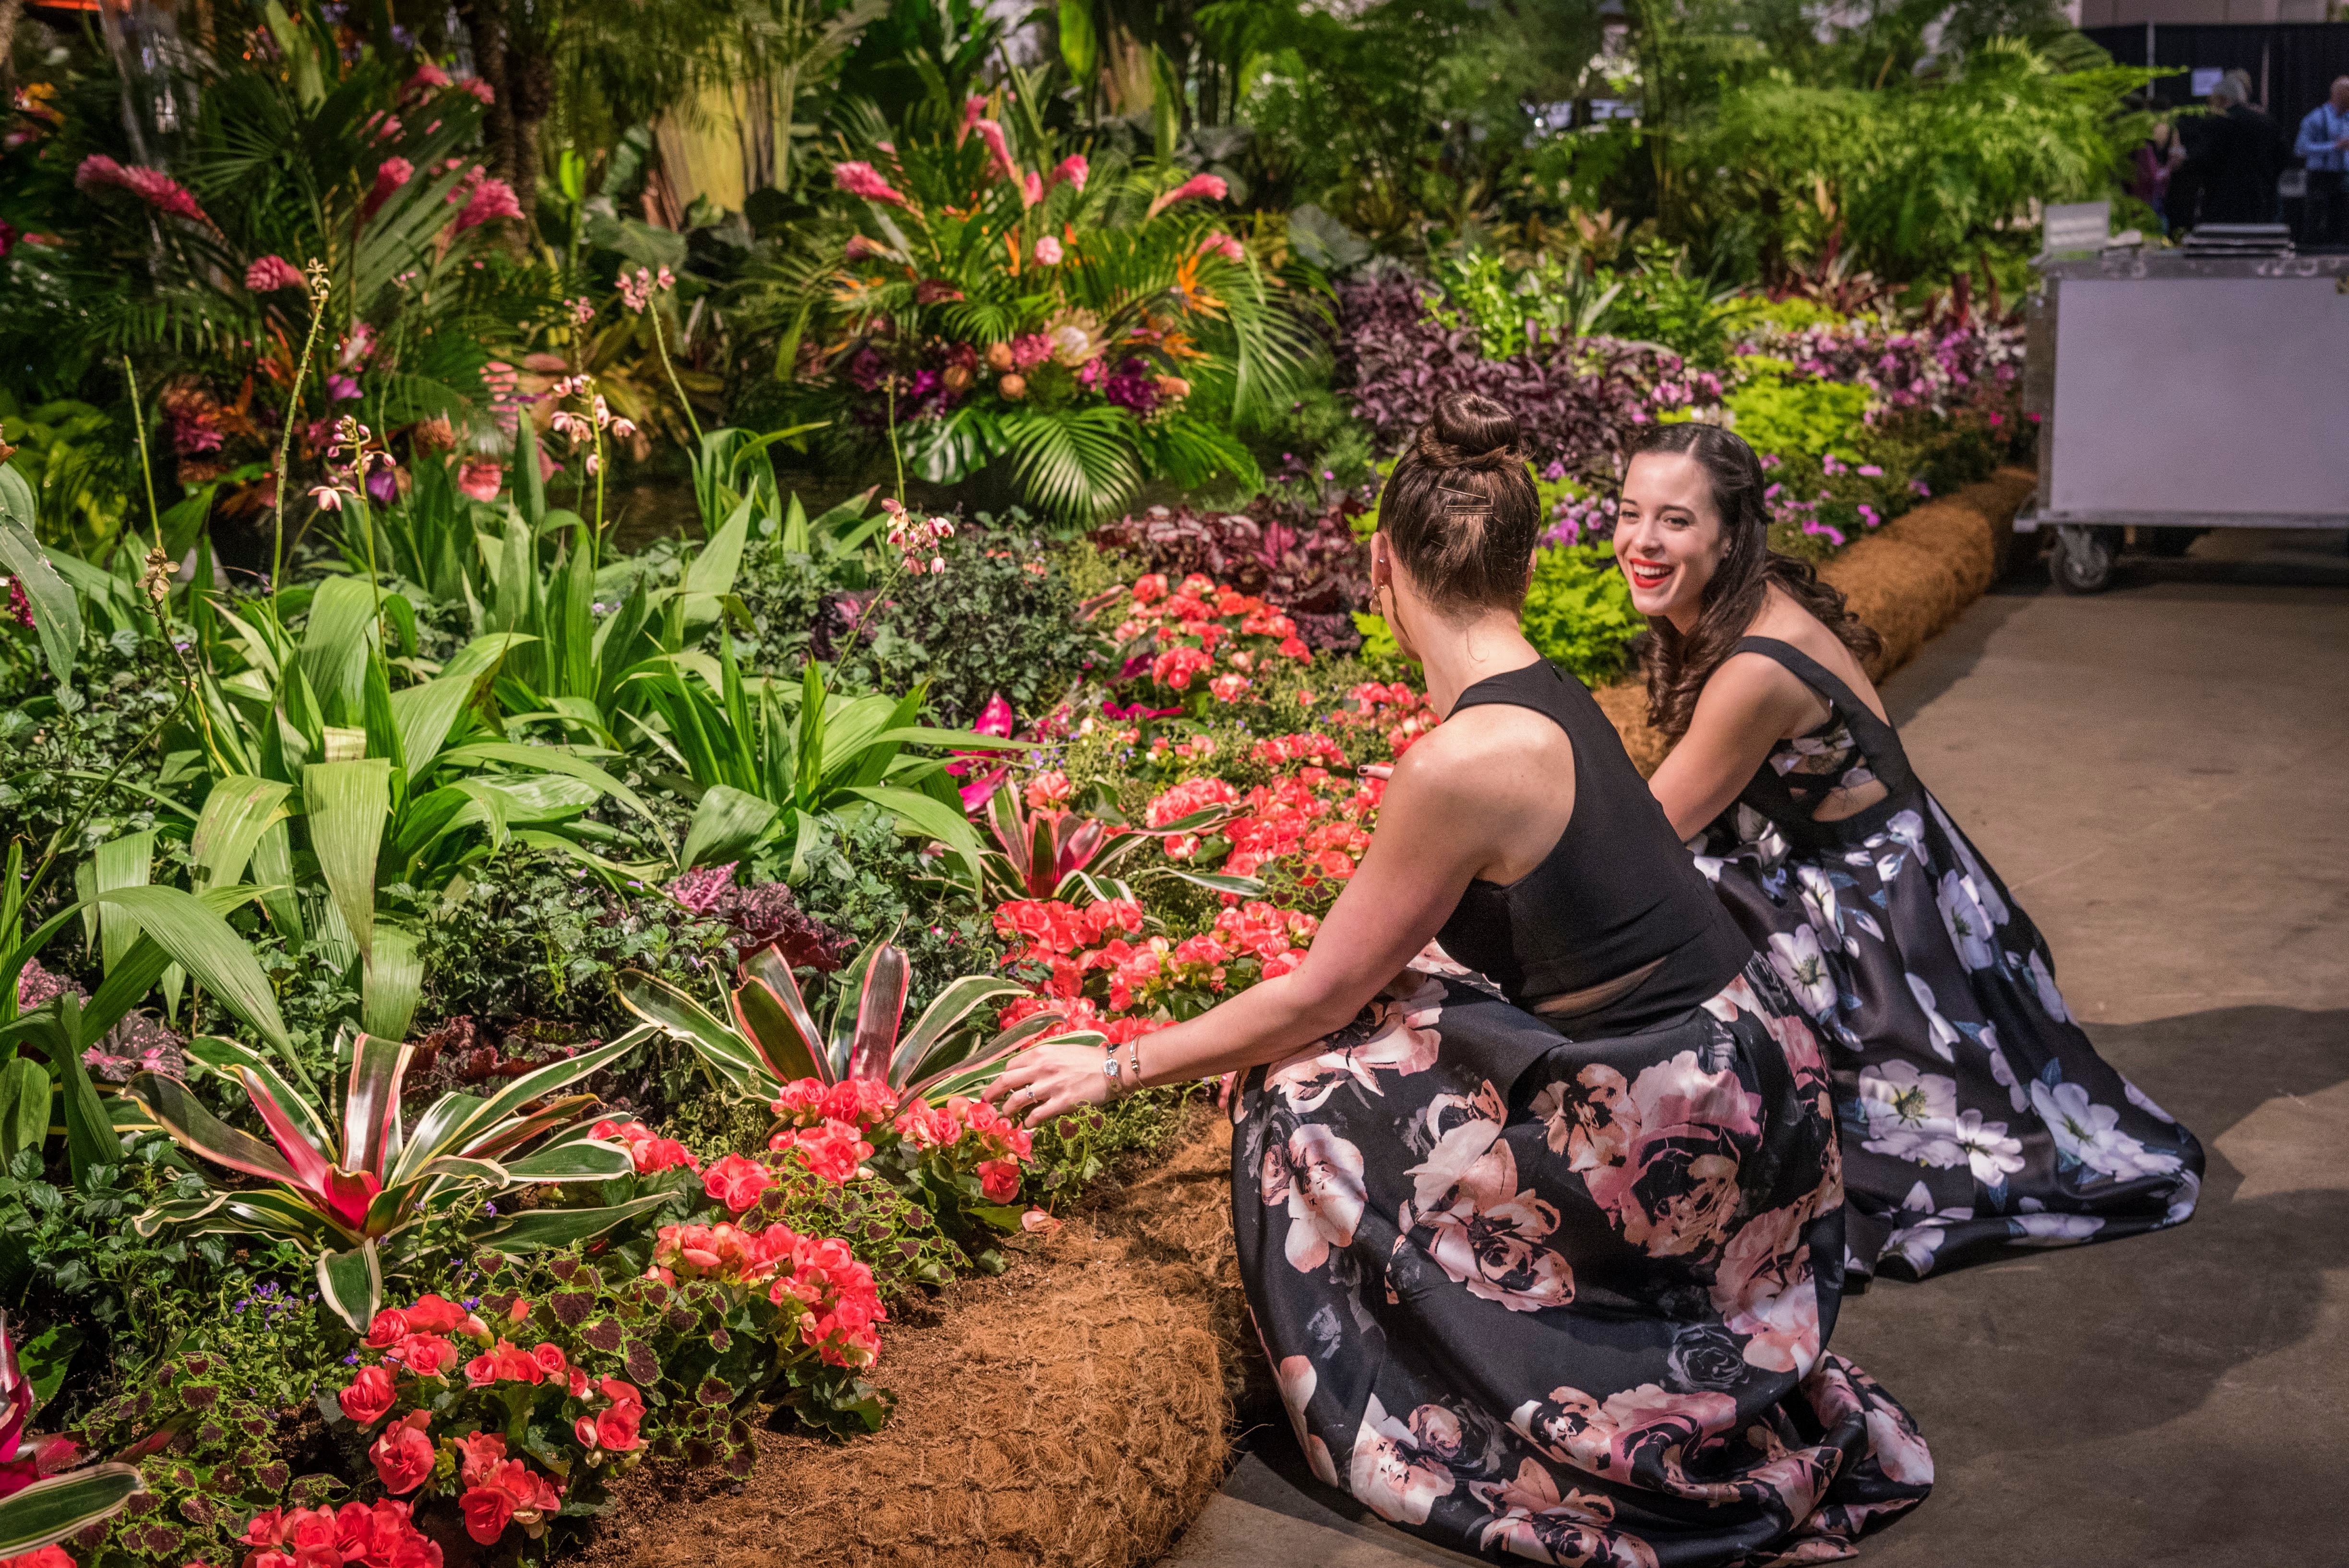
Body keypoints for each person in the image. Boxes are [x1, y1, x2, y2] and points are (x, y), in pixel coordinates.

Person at [986, 394, 1932, 1566]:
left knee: (1306, 1101)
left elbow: (1318, 993)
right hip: (1750, 1060)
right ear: (1525, 564)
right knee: (1364, 1035)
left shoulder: (1463, 757)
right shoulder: (1539, 687)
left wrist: (1117, 1062)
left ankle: (1454, 1411)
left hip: (1702, 1113)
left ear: (1378, 562)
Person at [1618, 422, 2204, 1288]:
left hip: (1878, 919)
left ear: (1731, 537)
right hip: (1900, 872)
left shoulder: (1753, 671)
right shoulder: (1750, 598)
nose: (1641, 541)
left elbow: (1648, 831)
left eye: (1674, 520)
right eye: (1629, 514)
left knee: (1662, 919)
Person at [2181, 75, 2288, 226]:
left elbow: (2201, 160)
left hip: (2221, 203)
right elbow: (2283, 157)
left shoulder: (2215, 125)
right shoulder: (2266, 122)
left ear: (2222, 98)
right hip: (2260, 201)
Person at [2295, 76, 2349, 247]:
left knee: (2340, 218)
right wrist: (2334, 146)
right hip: (2319, 175)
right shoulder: (2315, 118)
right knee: (2315, 217)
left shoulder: (2347, 119)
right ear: (2338, 94)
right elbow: (2301, 149)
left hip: (2341, 175)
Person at [2131, 119, 2186, 234]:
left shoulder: (2159, 146)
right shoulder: (2145, 149)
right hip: (2144, 205)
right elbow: (2153, 177)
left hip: (2158, 205)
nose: (2162, 133)